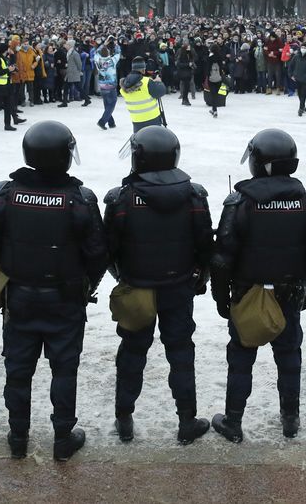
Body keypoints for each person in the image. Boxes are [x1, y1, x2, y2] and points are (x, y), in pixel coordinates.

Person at [0, 121, 107, 461]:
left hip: (19, 296)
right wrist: (85, 286)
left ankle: (17, 435)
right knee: (64, 369)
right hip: (64, 298)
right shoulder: (80, 198)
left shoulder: (4, 193)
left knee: (18, 370)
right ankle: (63, 438)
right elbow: (97, 254)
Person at [209, 129, 306, 443]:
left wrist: (222, 299)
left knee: (241, 357)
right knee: (289, 356)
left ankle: (233, 421)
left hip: (249, 293)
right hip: (289, 292)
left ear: (258, 163)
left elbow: (221, 260)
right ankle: (291, 419)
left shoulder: (239, 203)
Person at [103, 127, 214, 444]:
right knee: (181, 354)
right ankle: (187, 421)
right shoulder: (194, 195)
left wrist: (122, 277)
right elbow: (206, 245)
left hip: (137, 289)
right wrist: (199, 278)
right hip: (178, 288)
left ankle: (124, 417)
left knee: (131, 354)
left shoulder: (122, 198)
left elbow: (108, 248)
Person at [120, 57, 167, 132]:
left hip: (136, 121)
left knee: (140, 141)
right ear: (143, 69)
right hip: (152, 119)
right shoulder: (147, 82)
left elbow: (138, 90)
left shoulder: (124, 86)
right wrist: (158, 82)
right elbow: (161, 91)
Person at [94, 47, 120, 130]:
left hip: (102, 85)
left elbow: (96, 52)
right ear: (108, 53)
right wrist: (115, 45)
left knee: (107, 104)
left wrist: (103, 45)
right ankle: (102, 121)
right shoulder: (112, 60)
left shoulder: (97, 59)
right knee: (111, 105)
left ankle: (111, 123)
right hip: (111, 85)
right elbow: (118, 53)